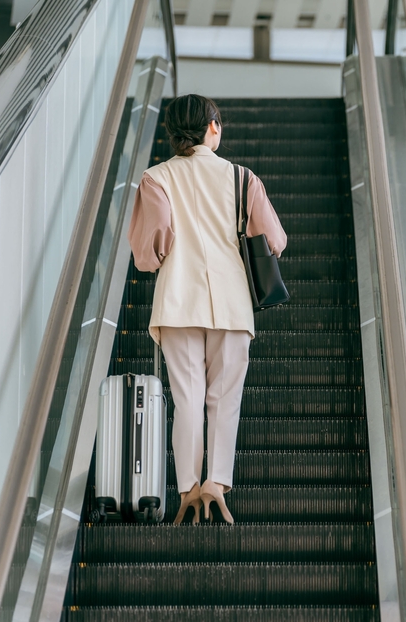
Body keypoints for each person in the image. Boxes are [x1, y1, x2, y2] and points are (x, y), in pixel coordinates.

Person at [128, 94, 287, 525]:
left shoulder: (155, 178)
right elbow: (275, 241)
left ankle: (187, 489)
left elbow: (149, 253)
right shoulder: (242, 178)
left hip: (178, 303)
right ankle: (216, 485)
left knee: (187, 399)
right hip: (232, 305)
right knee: (224, 399)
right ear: (213, 127)